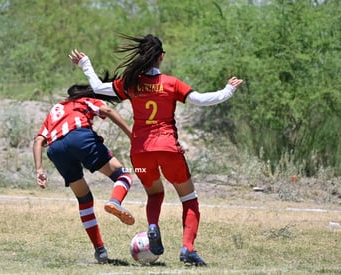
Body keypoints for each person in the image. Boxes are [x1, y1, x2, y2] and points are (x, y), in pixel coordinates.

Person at [69, 34, 244, 267]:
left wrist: (85, 64)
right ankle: (187, 249)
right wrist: (228, 90)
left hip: (140, 154)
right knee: (189, 198)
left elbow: (98, 87)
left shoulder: (131, 82)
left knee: (154, 193)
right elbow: (202, 100)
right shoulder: (171, 83)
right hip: (168, 149)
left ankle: (153, 227)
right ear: (161, 57)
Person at [33, 81, 135, 264]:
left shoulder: (55, 109)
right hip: (79, 137)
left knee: (85, 200)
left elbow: (39, 140)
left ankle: (100, 251)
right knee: (124, 175)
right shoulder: (85, 100)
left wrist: (39, 169)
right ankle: (114, 201)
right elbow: (108, 111)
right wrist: (131, 135)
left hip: (56, 149)